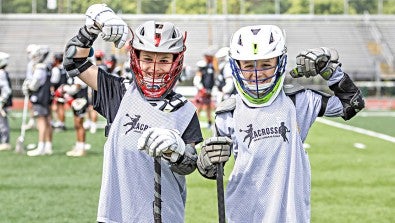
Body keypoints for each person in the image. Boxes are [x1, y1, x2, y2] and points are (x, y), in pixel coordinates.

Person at [196, 25, 365, 222]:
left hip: (290, 216)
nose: (257, 73)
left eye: (266, 64)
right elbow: (214, 168)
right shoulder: (228, 112)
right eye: (249, 66)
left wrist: (329, 70)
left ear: (280, 62)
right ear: (236, 66)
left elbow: (352, 104)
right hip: (241, 215)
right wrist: (206, 163)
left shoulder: (299, 100)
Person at [63, 4, 202, 222]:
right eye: (147, 58)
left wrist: (178, 151)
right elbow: (74, 61)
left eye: (164, 60)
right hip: (116, 214)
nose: (154, 68)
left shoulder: (184, 110)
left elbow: (190, 165)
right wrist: (92, 28)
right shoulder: (119, 92)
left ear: (176, 62)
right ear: (135, 58)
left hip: (165, 216)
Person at [23, 45, 53, 156]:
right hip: (46, 97)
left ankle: (41, 146)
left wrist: (28, 87)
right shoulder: (46, 66)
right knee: (47, 120)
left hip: (40, 97)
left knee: (41, 121)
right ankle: (47, 146)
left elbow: (35, 84)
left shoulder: (40, 67)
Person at [193, 46, 217, 128]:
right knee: (199, 107)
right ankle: (194, 123)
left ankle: (209, 122)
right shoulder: (202, 66)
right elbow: (197, 79)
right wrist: (201, 89)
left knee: (208, 107)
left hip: (208, 91)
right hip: (202, 91)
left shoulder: (212, 66)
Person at [51, 52, 68, 131]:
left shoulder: (56, 69)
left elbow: (54, 81)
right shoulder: (64, 68)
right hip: (64, 89)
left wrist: (52, 91)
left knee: (59, 107)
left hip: (58, 90)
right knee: (61, 107)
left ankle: (60, 123)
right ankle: (62, 123)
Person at [0, 52, 13, 151]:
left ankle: (5, 142)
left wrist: (1, 101)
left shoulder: (1, 73)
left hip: (1, 102)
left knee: (2, 122)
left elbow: (6, 89)